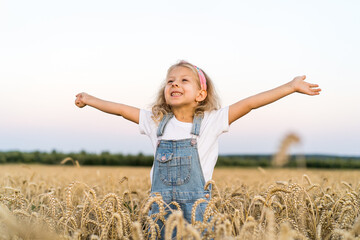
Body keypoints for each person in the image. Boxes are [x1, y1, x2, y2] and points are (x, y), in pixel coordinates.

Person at [75, 60, 321, 238]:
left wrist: (290, 86)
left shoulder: (212, 122)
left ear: (201, 94)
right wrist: (89, 99)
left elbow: (250, 104)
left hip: (197, 210)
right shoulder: (156, 121)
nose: (175, 84)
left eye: (184, 80)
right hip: (159, 208)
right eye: (170, 81)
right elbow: (120, 109)